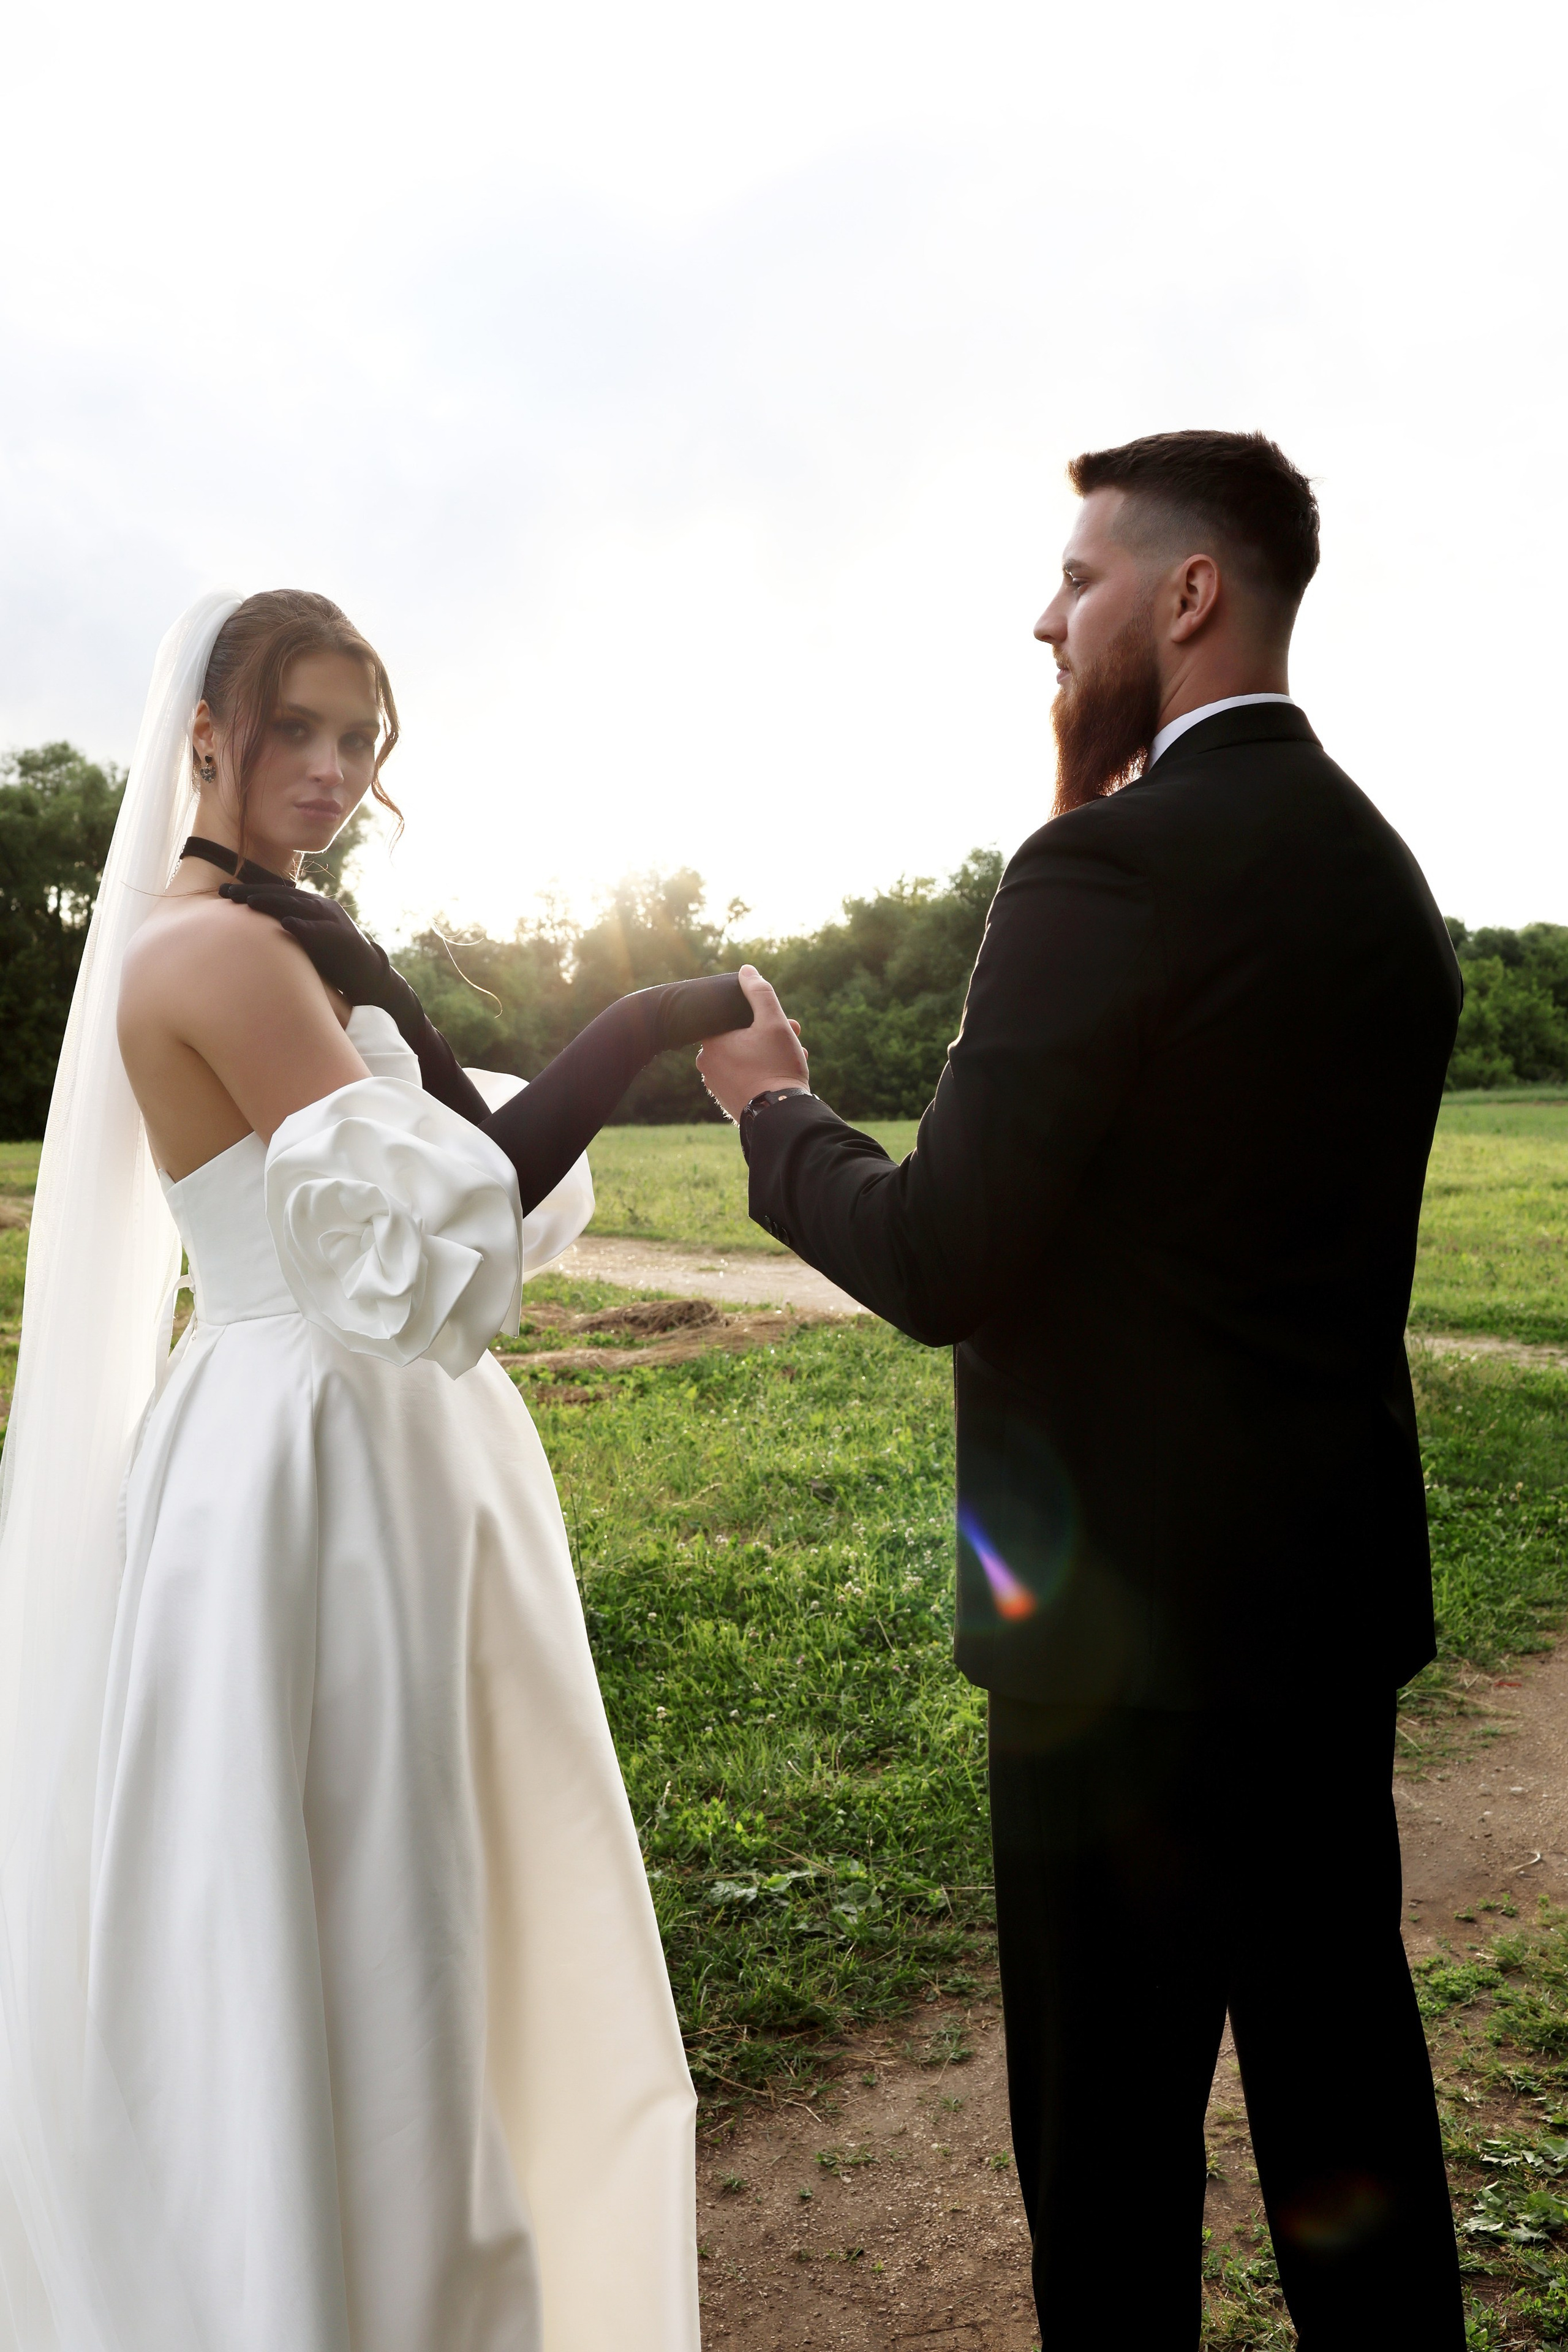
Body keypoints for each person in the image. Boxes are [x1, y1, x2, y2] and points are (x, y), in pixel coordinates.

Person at [696, 432, 1466, 2348]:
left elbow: (941, 1253)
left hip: (1114, 1659)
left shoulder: (1102, 866)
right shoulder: (1384, 876)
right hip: (1323, 1618)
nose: (1046, 621)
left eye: (1077, 580)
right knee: (1351, 2116)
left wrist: (777, 1113)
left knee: (1111, 2157)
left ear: (1189, 594)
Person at [0, 587, 749, 2351]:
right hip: (309, 1454)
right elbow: (457, 1204)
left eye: (362, 738)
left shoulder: (284, 929)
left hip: (384, 1428)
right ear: (206, 733)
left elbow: (458, 1164)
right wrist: (643, 1017)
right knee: (362, 1888)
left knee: (437, 1867)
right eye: (299, 730)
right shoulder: (217, 954)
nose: (335, 769)